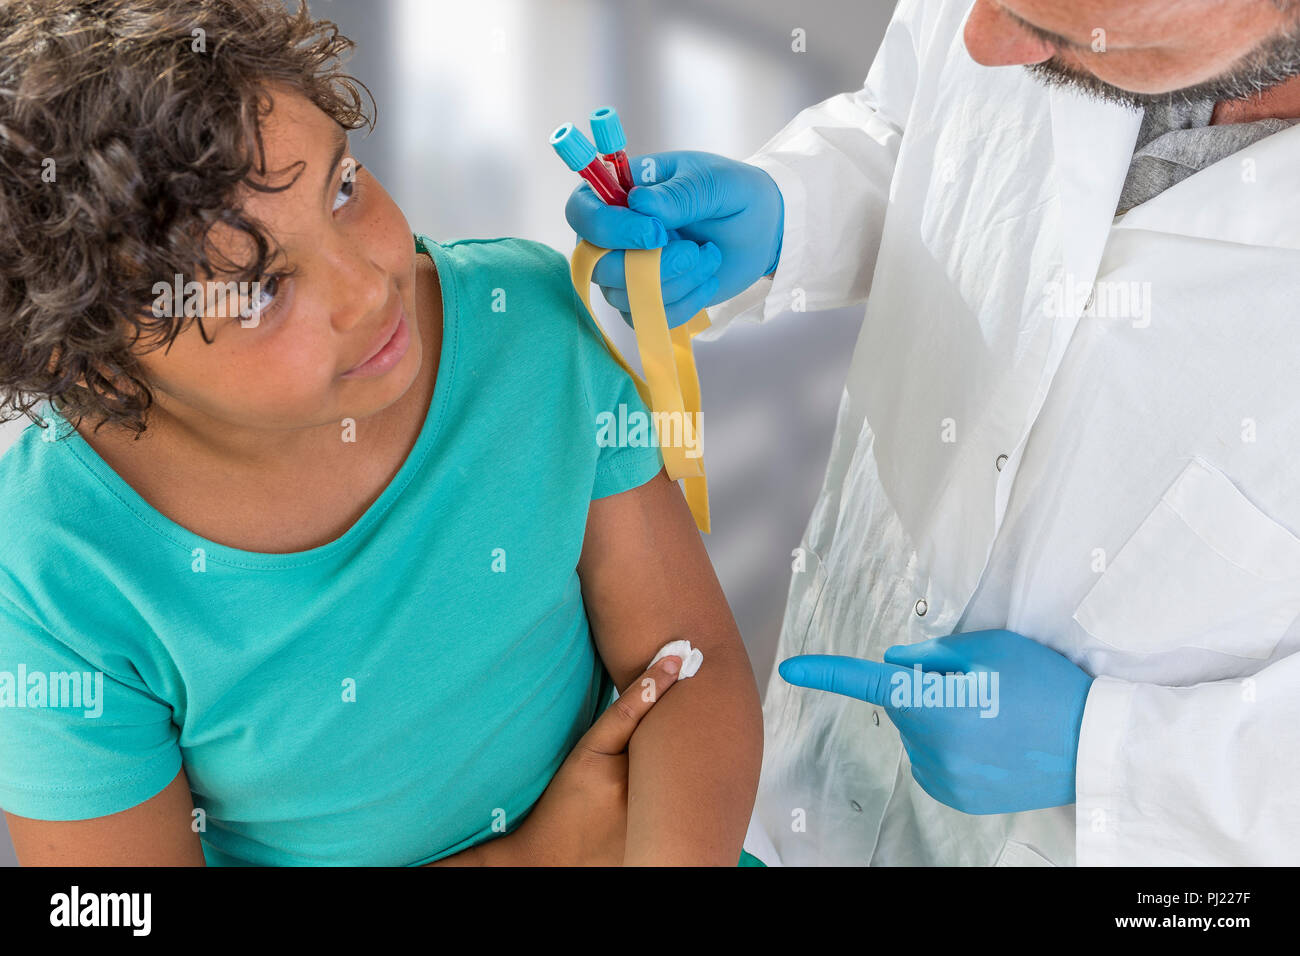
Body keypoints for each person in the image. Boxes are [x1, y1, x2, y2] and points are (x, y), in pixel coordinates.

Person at [0, 0, 763, 866]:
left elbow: (692, 672)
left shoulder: (526, 325)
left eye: (342, 188)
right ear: (98, 366)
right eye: (259, 289)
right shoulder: (43, 560)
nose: (368, 290)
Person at [567, 0, 1300, 865]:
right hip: (808, 776)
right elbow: (914, 125)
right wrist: (787, 212)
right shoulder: (995, 24)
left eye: (1056, 30)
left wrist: (1118, 756)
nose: (980, 37)